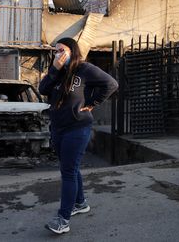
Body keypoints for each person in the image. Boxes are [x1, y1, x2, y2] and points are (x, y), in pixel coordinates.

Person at [39, 37, 119, 234]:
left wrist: (93, 102)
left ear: (72, 51)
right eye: (56, 51)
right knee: (70, 168)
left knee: (68, 172)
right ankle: (81, 203)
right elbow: (42, 89)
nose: (58, 54)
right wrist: (55, 69)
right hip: (58, 128)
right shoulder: (57, 72)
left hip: (77, 128)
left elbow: (111, 84)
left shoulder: (85, 69)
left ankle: (63, 219)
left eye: (62, 50)